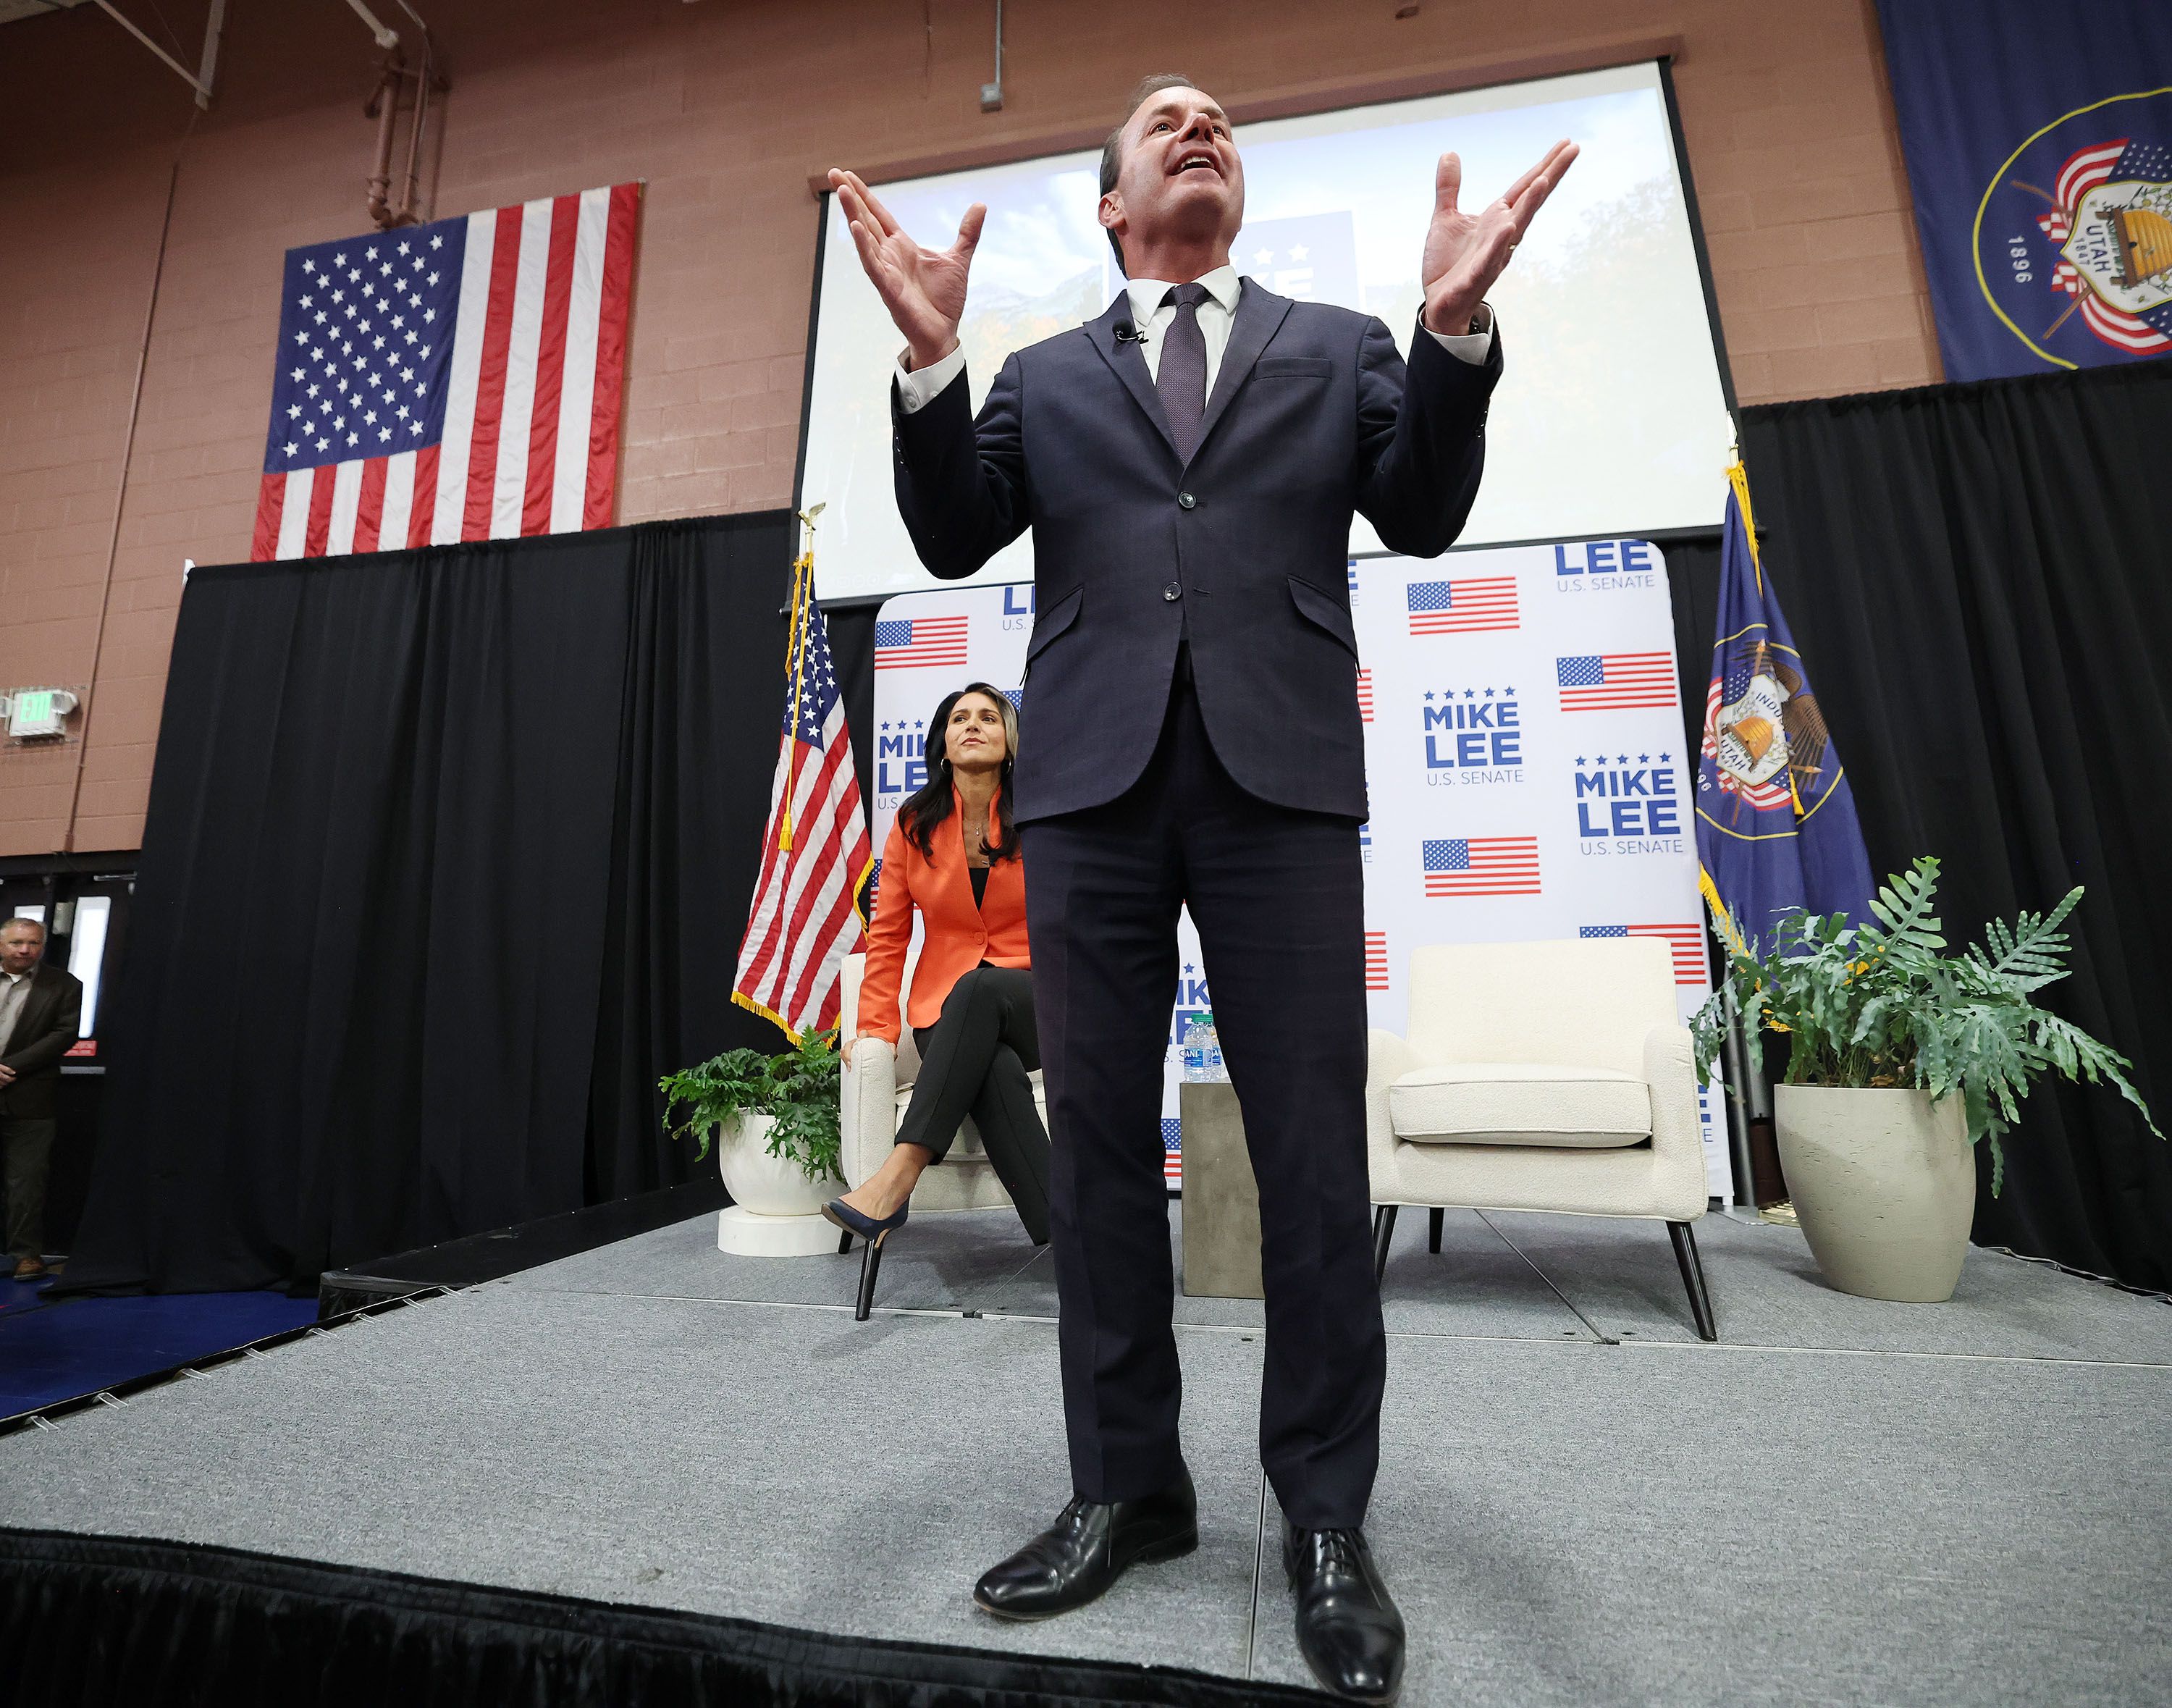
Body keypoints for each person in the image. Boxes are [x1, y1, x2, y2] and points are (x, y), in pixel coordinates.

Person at [829, 72, 1573, 1704]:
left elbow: (1427, 509)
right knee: (1096, 1144)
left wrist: (1452, 334)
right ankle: (1127, 1490)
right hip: (1086, 788)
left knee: (1309, 1148)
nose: (1200, 125)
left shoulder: (1337, 342)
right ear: (1109, 204)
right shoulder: (1036, 373)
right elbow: (955, 534)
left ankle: (1323, 1522)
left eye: (1220, 118)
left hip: (1280, 780)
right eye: (1164, 121)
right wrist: (932, 365)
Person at [826, 683, 1051, 1257]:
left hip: (1035, 1004)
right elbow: (889, 937)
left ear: (1010, 743)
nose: (972, 725)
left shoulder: (1045, 815)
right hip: (944, 1015)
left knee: (980, 986)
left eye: (988, 718)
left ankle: (896, 1177)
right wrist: (875, 1028)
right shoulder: (911, 824)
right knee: (992, 1067)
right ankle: (1068, 1237)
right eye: (959, 718)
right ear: (944, 743)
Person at [1, 917, 84, 1282]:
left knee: (27, 1182)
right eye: (17, 942)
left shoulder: (64, 985)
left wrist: (10, 1067)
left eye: (33, 944)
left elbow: (64, 1035)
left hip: (32, 1097)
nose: (24, 950)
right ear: (2, 943)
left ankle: (26, 1256)